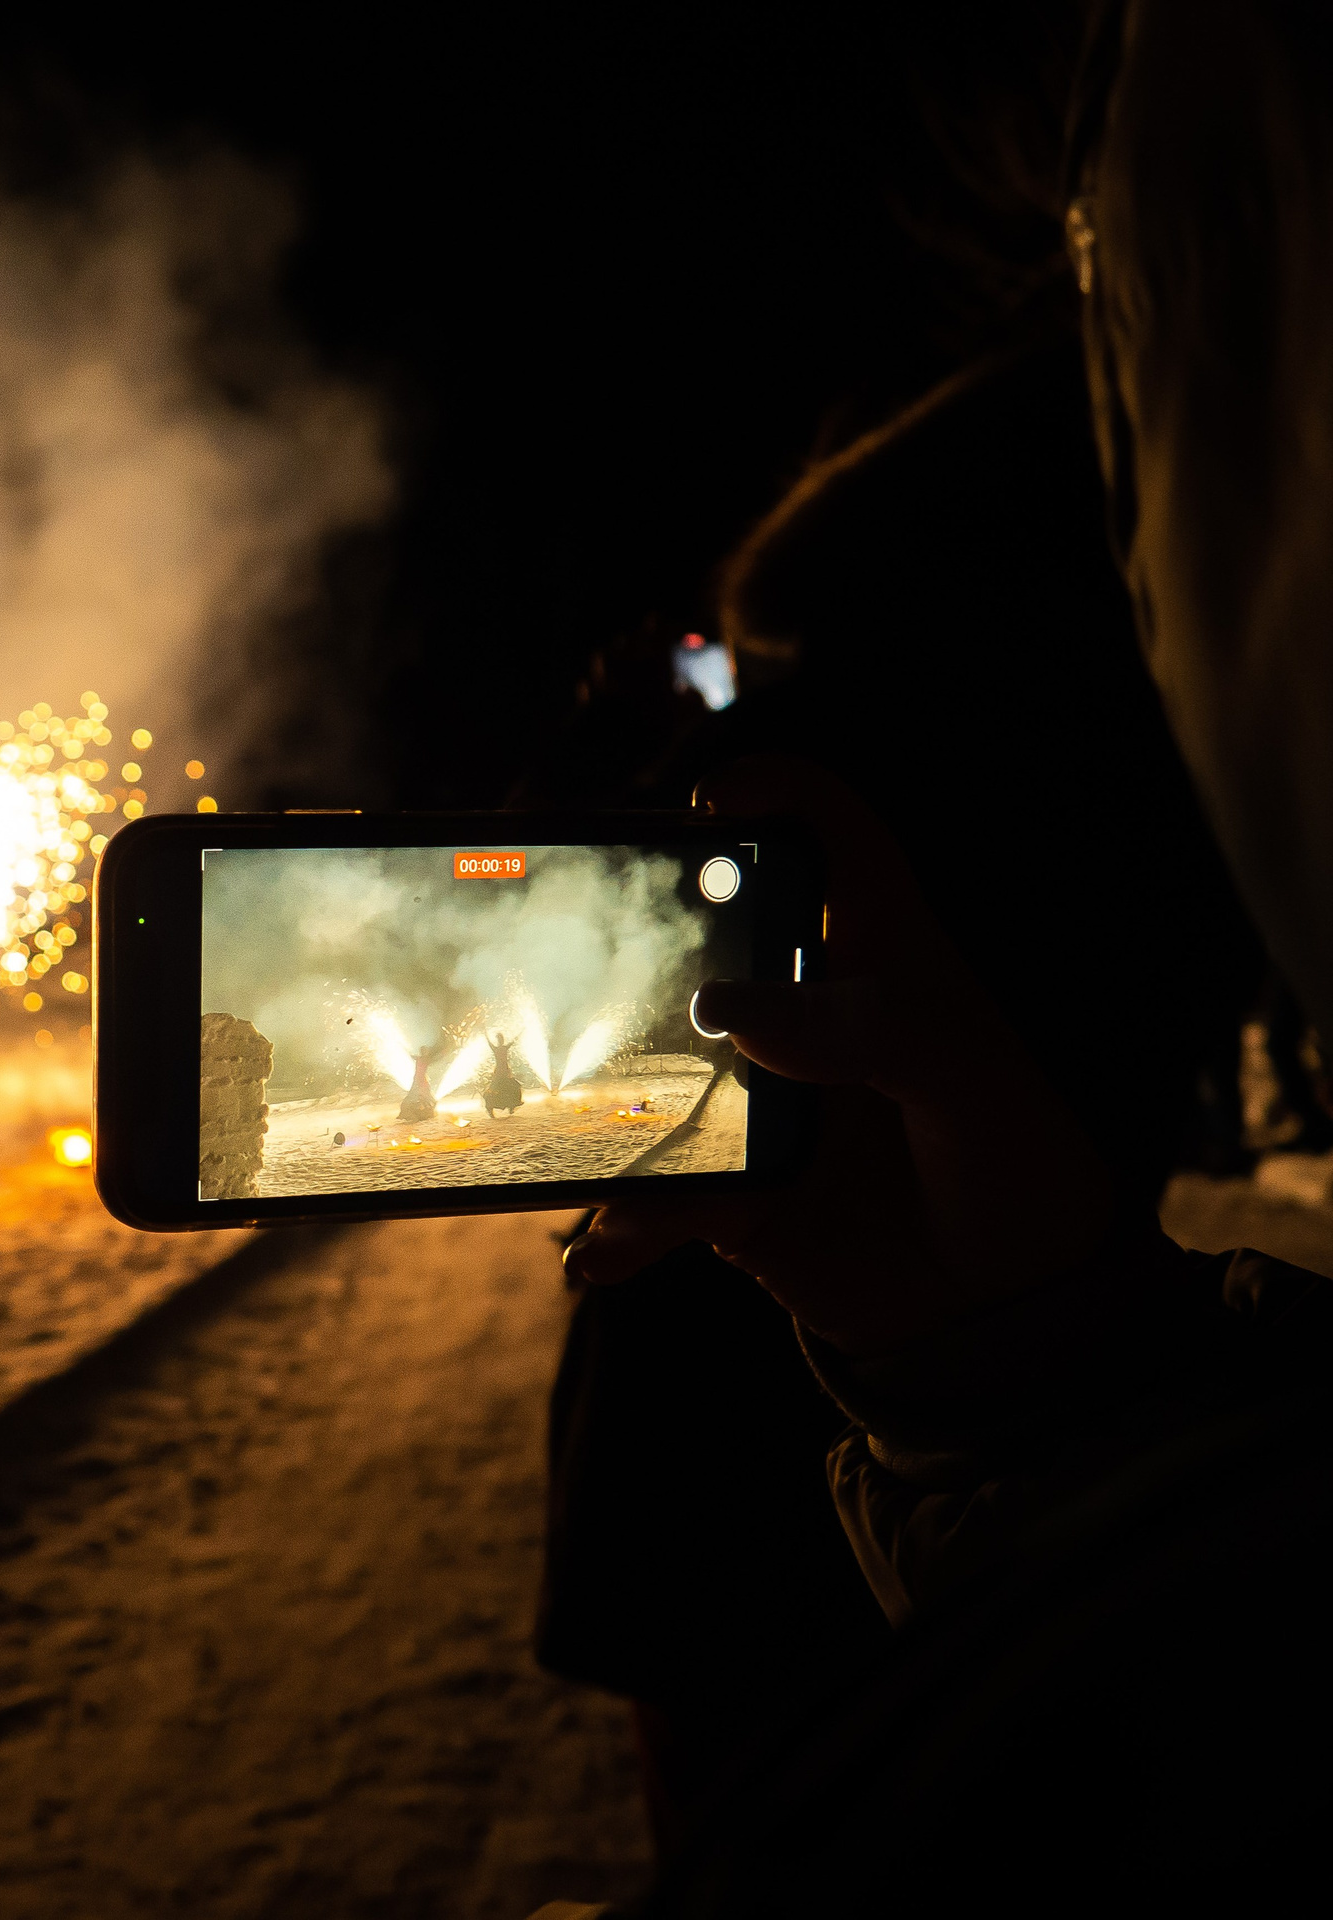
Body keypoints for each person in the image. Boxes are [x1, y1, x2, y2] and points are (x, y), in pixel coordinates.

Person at [555, 4, 1333, 1907]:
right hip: (902, 1369)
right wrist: (1048, 1375)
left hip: (744, 1399)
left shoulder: (784, 787)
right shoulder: (1089, 782)